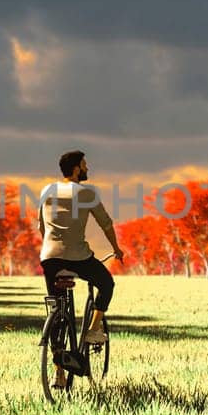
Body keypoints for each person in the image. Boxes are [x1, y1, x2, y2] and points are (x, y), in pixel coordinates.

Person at [38, 150, 124, 388]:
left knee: (55, 311)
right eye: (85, 165)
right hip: (78, 257)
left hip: (50, 258)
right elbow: (106, 223)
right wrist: (116, 248)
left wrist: (51, 248)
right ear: (76, 168)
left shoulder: (47, 190)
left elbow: (41, 226)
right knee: (106, 284)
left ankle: (58, 374)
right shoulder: (87, 193)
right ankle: (94, 331)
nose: (87, 168)